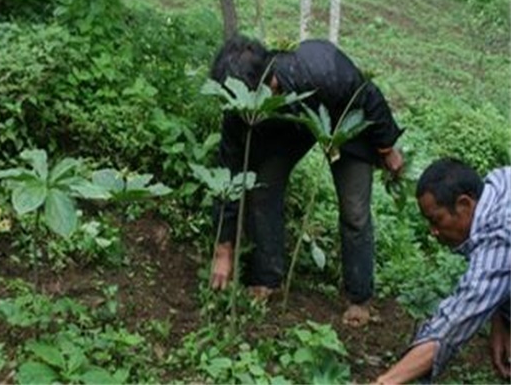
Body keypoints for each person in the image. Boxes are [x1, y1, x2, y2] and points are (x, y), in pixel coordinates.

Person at [208, 35, 404, 326]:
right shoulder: (239, 108)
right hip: (284, 130)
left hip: (342, 120)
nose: (244, 108)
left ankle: (359, 297)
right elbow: (229, 172)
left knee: (354, 211)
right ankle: (267, 278)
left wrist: (387, 148)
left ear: (269, 83)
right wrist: (223, 248)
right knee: (262, 188)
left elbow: (368, 95)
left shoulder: (322, 68)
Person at [376, 158, 510, 383]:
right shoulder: (498, 184)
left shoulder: (500, 237)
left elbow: (453, 325)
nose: (433, 232)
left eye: (436, 220)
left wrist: (385, 382)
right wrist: (502, 318)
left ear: (464, 204)